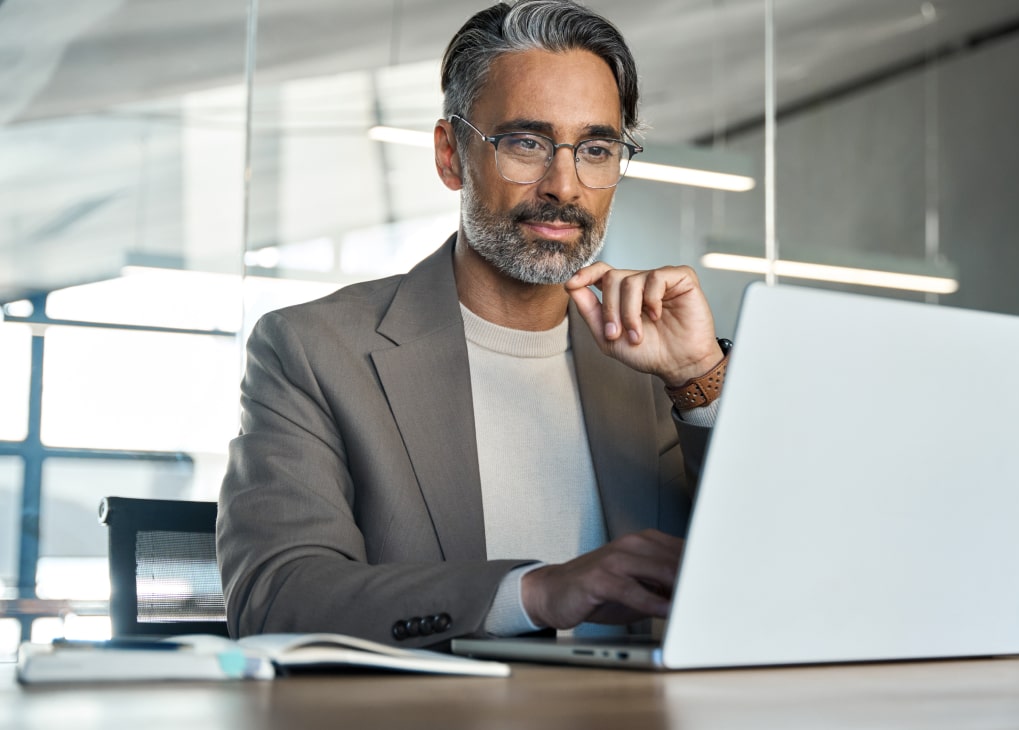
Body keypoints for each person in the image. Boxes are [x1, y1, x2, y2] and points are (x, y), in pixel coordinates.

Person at [216, 0, 730, 647]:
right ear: (450, 154)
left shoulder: (660, 364)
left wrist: (698, 378)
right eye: (525, 142)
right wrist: (536, 591)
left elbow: (786, 566)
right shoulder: (314, 350)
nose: (564, 185)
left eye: (595, 148)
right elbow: (276, 598)